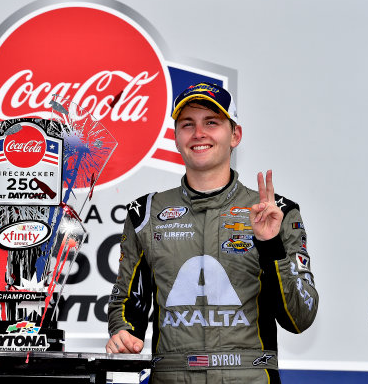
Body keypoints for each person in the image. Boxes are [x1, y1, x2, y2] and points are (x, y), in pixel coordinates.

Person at [106, 83, 318, 383]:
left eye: (212, 123)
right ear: (176, 138)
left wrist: (271, 245)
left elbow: (300, 319)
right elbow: (126, 305)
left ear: (235, 135)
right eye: (187, 124)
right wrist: (123, 333)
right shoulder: (145, 214)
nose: (199, 133)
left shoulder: (277, 212)